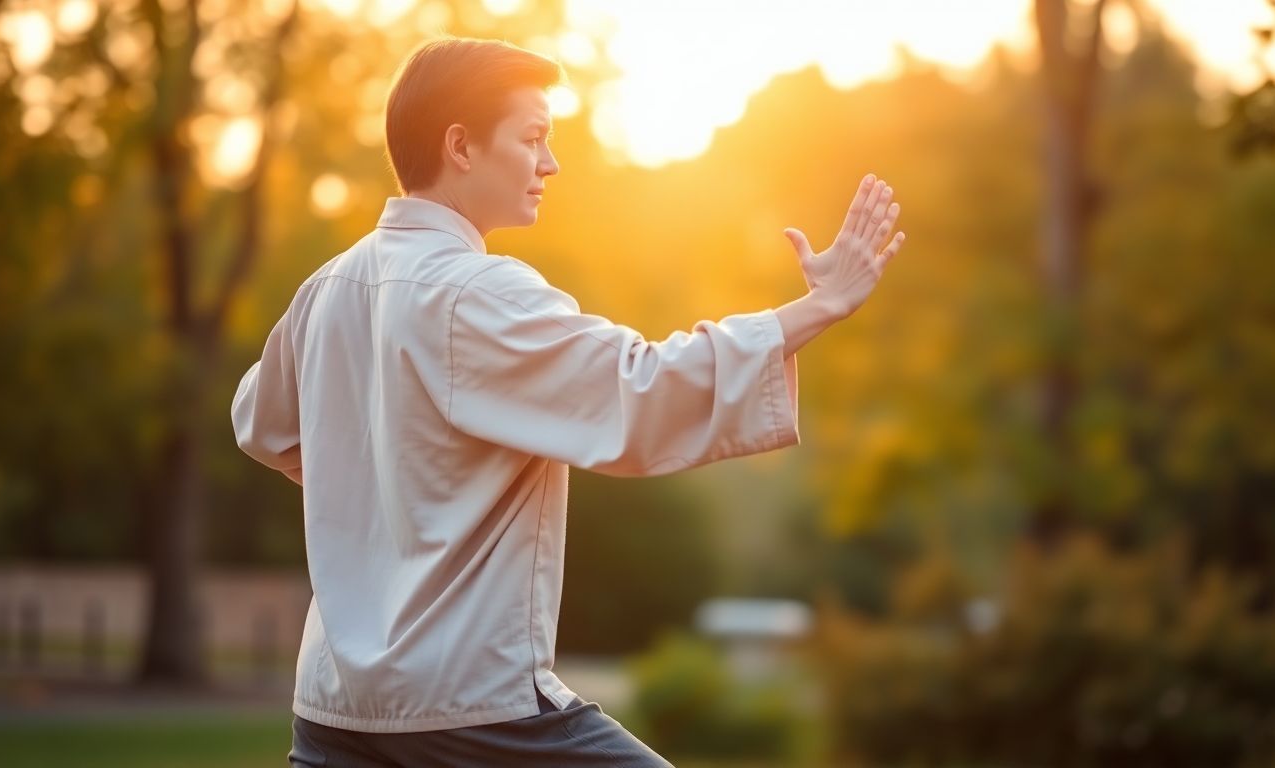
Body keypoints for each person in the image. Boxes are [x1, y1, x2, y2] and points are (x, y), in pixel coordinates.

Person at [231, 35, 905, 768]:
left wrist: (375, 458)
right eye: (533, 138)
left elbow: (260, 426)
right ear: (460, 145)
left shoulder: (325, 290)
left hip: (333, 715)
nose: (550, 163)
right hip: (473, 716)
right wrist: (820, 306)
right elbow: (641, 392)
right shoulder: (479, 294)